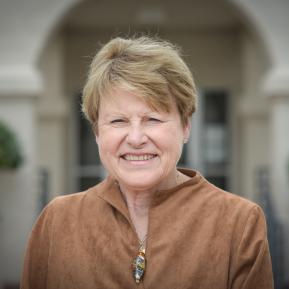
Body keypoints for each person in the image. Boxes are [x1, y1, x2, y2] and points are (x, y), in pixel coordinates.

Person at [21, 36, 274, 289]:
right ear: (97, 132)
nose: (136, 138)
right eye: (118, 121)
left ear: (186, 126)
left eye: (153, 119)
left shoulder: (238, 223)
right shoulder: (58, 222)